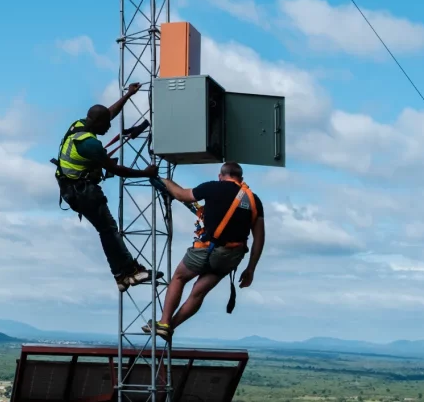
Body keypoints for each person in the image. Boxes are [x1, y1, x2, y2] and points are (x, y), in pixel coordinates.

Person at [54, 82, 162, 292]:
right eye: (106, 125)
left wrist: (128, 95)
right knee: (108, 230)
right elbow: (118, 170)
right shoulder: (90, 144)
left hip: (71, 189)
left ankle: (122, 275)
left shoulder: (79, 125)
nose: (110, 127)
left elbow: (109, 113)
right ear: (96, 123)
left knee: (107, 230)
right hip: (82, 192)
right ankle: (128, 272)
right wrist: (146, 173)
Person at [143, 161, 265, 340]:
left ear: (220, 176)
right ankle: (169, 326)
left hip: (205, 250)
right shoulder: (254, 200)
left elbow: (181, 194)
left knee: (179, 278)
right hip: (230, 257)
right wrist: (251, 269)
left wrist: (165, 181)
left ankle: (164, 322)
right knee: (198, 292)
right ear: (241, 179)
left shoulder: (212, 187)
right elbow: (259, 239)